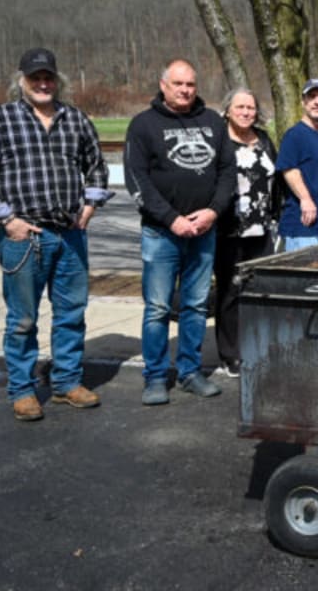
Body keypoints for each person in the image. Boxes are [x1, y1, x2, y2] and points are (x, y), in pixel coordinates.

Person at [0, 47, 112, 422]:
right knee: (22, 320)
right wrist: (7, 219)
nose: (43, 84)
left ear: (57, 80)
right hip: (24, 236)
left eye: (48, 78)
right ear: (22, 81)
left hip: (70, 234)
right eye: (36, 78)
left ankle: (66, 383)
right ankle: (23, 390)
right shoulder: (0, 119)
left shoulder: (75, 119)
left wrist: (90, 205)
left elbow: (97, 165)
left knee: (71, 314)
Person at [124, 58, 236, 406]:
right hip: (161, 234)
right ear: (163, 85)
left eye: (190, 84)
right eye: (178, 84)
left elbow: (227, 172)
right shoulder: (143, 125)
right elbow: (137, 179)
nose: (185, 90)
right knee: (158, 308)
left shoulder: (213, 122)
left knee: (196, 306)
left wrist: (213, 212)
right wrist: (171, 219)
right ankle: (156, 377)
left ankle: (190, 372)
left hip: (204, 231)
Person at [212, 87, 279, 379]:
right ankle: (231, 354)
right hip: (229, 229)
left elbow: (276, 179)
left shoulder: (263, 139)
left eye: (250, 107)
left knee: (259, 290)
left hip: (261, 228)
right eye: (239, 107)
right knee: (230, 292)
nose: (246, 112)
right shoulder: (219, 140)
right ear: (228, 110)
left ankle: (257, 346)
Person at [277, 78, 318, 252]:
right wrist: (306, 199)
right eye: (312, 96)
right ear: (303, 102)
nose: (317, 102)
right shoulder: (294, 135)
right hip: (303, 225)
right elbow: (289, 169)